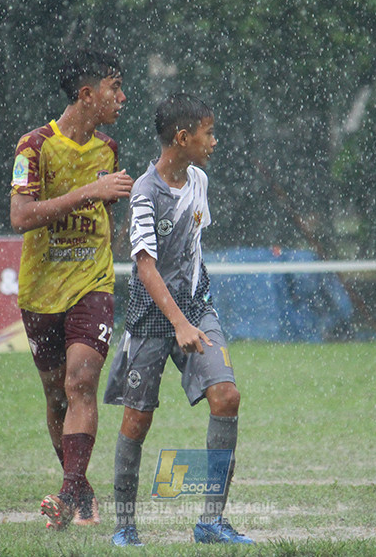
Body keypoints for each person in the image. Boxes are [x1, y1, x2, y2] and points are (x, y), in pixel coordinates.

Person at [104, 93, 254, 546]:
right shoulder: (145, 193)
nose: (213, 140)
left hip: (195, 306)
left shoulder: (199, 181)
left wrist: (194, 314)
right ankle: (125, 527)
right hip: (152, 318)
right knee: (136, 421)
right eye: (208, 132)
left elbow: (192, 248)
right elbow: (145, 267)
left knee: (226, 397)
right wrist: (177, 325)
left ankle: (211, 523)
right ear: (183, 137)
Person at [9, 49, 133, 530]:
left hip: (93, 283)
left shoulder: (110, 149)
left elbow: (109, 215)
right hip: (40, 290)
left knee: (81, 381)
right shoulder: (34, 147)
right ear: (87, 94)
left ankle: (64, 495)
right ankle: (80, 489)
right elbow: (20, 217)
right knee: (56, 396)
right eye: (113, 88)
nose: (121, 97)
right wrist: (88, 194)